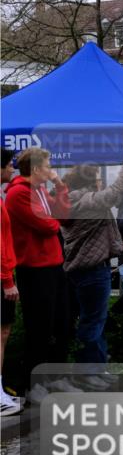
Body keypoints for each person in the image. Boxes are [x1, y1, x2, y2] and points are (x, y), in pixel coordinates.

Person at [61, 137, 123, 364]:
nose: (100, 182)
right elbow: (115, 192)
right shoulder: (83, 201)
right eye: (96, 178)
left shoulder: (74, 199)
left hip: (87, 269)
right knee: (92, 322)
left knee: (96, 320)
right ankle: (89, 372)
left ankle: (98, 366)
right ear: (87, 182)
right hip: (91, 271)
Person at [5, 146, 72, 399]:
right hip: (34, 269)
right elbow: (46, 226)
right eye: (48, 166)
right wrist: (54, 220)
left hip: (54, 265)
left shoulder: (41, 189)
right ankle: (34, 384)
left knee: (62, 324)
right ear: (35, 169)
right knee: (39, 328)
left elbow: (63, 217)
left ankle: (58, 377)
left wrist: (60, 186)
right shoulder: (18, 194)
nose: (51, 169)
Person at [0, 149, 22, 416]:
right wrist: (7, 279)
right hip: (2, 276)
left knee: (3, 334)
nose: (12, 170)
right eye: (9, 166)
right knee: (1, 335)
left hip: (4, 274)